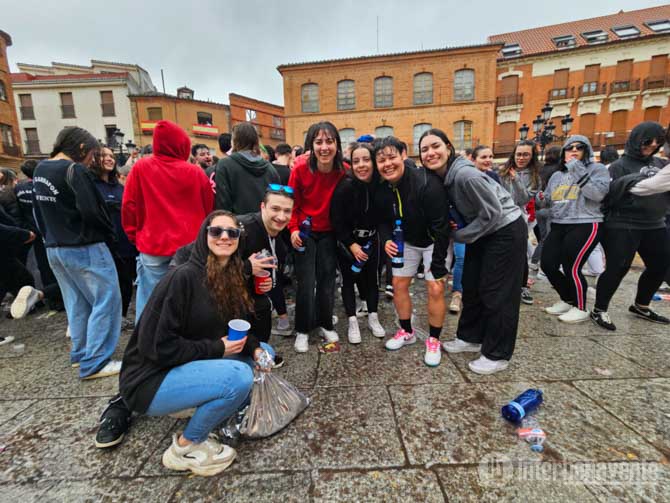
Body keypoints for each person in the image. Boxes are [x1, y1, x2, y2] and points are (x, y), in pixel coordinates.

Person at [116, 211, 274, 475]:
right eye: (216, 231)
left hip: (186, 362)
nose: (224, 237)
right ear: (204, 235)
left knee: (265, 352)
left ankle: (205, 405)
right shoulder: (183, 277)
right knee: (239, 377)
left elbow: (234, 329)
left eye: (232, 233)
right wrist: (217, 349)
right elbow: (156, 347)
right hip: (150, 379)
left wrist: (255, 349)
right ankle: (186, 447)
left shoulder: (229, 276)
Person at [420, 128, 526, 375]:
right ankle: (470, 337)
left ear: (448, 148)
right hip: (482, 232)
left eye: (435, 146)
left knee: (498, 293)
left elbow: (493, 213)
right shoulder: (444, 176)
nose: (430, 153)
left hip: (505, 231)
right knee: (472, 286)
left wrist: (459, 236)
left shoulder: (465, 175)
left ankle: (497, 355)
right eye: (424, 149)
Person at [32, 127, 122, 379]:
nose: (92, 160)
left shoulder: (40, 169)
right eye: (92, 154)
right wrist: (109, 233)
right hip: (85, 245)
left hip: (55, 247)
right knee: (106, 300)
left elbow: (39, 213)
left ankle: (81, 353)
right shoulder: (75, 170)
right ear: (82, 148)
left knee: (76, 302)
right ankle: (96, 361)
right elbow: (92, 211)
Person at [122, 120, 214, 324]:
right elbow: (209, 209)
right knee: (188, 297)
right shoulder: (195, 172)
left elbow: (129, 206)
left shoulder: (141, 168)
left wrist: (135, 236)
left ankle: (146, 340)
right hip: (190, 245)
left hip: (152, 244)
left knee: (150, 299)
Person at [375, 136, 451, 366]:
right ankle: (407, 331)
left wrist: (438, 264)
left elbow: (442, 227)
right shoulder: (382, 187)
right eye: (381, 160)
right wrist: (386, 239)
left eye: (392, 157)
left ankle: (434, 339)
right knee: (398, 284)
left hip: (434, 240)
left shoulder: (426, 182)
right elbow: (382, 220)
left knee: (435, 287)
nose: (387, 164)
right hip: (406, 240)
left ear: (403, 155)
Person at [592, 122, 670, 330]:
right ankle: (599, 309)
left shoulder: (662, 164)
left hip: (655, 223)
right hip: (623, 224)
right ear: (636, 139)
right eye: (648, 140)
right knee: (618, 267)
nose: (652, 145)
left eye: (658, 141)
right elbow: (609, 196)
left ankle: (641, 305)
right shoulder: (618, 166)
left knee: (661, 264)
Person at [536, 136, 609, 323]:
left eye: (579, 147)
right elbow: (550, 199)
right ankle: (568, 299)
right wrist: (541, 197)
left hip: (586, 222)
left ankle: (581, 307)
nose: (574, 150)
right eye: (569, 148)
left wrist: (576, 168)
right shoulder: (557, 175)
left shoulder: (597, 169)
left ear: (587, 150)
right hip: (559, 223)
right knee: (548, 264)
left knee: (572, 267)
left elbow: (597, 195)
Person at [288, 121, 346, 353]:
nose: (324, 147)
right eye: (318, 142)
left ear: (337, 145)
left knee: (327, 280)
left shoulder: (344, 170)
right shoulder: (300, 170)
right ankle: (302, 329)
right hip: (305, 231)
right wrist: (293, 229)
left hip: (330, 232)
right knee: (306, 281)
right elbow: (292, 204)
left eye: (329, 141)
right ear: (311, 145)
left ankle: (325, 322)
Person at [331, 142, 386, 343]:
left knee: (372, 279)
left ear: (373, 162)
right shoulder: (345, 187)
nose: (361, 165)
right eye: (356, 161)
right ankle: (352, 320)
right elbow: (336, 220)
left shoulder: (381, 185)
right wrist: (351, 245)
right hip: (348, 243)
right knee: (348, 280)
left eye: (366, 160)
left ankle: (373, 316)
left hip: (372, 240)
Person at [91, 146, 138, 329]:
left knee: (126, 282)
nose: (109, 159)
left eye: (111, 156)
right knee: (105, 285)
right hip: (103, 244)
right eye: (104, 155)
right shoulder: (90, 185)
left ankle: (121, 316)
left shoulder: (120, 187)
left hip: (124, 242)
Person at [13, 160, 63, 312]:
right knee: (60, 267)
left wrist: (28, 229)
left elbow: (18, 213)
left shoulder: (18, 189)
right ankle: (59, 296)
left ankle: (52, 299)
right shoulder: (46, 185)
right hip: (53, 231)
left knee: (44, 267)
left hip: (35, 233)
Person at [499, 140, 542, 305]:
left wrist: (516, 179)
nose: (521, 158)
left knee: (520, 253)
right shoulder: (503, 171)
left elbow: (524, 199)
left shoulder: (534, 176)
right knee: (502, 252)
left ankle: (522, 287)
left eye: (525, 155)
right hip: (501, 217)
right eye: (518, 154)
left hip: (519, 217)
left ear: (532, 156)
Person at [214, 122, 280, 216]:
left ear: (234, 140)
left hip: (236, 222)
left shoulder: (224, 165)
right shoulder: (271, 169)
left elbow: (223, 203)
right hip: (263, 222)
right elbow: (276, 202)